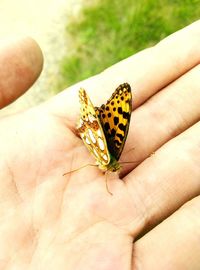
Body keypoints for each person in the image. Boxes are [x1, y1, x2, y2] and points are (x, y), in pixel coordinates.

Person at [0, 20, 199, 270]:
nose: (114, 169)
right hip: (89, 129)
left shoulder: (111, 155)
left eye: (114, 168)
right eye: (114, 168)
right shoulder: (108, 156)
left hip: (93, 133)